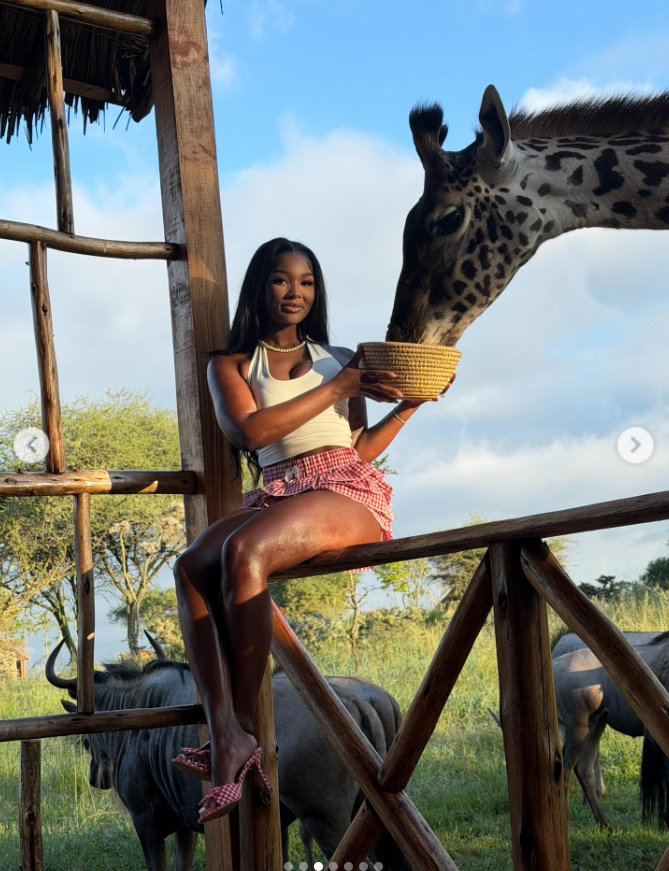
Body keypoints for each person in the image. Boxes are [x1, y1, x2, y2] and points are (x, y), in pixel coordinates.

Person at [170, 237, 456, 823]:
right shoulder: (230, 364)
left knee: (245, 550)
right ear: (261, 286)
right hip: (275, 490)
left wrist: (408, 406)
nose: (295, 292)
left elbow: (360, 448)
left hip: (344, 490)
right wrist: (339, 388)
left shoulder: (343, 358)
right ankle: (224, 728)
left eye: (306, 282)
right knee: (193, 565)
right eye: (282, 280)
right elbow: (249, 433)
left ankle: (243, 734)